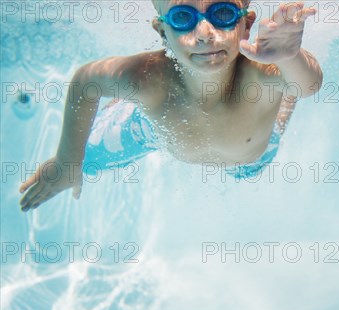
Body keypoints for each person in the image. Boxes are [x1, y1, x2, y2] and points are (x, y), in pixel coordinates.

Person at [19, 0, 322, 211]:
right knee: (88, 157)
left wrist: (287, 57)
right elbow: (86, 81)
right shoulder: (145, 76)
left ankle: (284, 95)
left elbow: (310, 85)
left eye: (223, 13)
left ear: (246, 24)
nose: (205, 34)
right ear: (162, 32)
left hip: (252, 157)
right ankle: (122, 106)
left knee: (288, 86)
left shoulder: (261, 70)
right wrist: (66, 162)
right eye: (182, 18)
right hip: (153, 131)